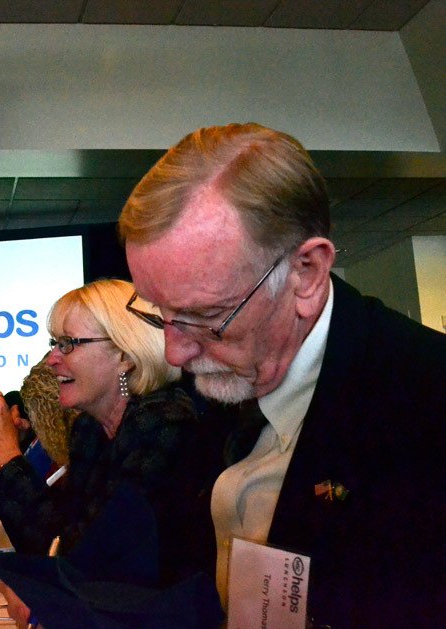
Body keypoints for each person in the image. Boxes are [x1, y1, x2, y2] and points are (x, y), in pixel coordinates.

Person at [118, 123, 446, 629]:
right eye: (159, 311)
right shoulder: (228, 376)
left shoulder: (423, 404)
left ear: (307, 273)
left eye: (207, 316)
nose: (174, 351)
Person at [0, 279, 217, 588]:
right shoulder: (90, 429)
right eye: (54, 344)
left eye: (68, 344)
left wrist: (4, 455)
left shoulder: (164, 424)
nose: (52, 359)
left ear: (125, 354)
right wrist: (2, 453)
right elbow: (54, 541)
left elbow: (85, 562)